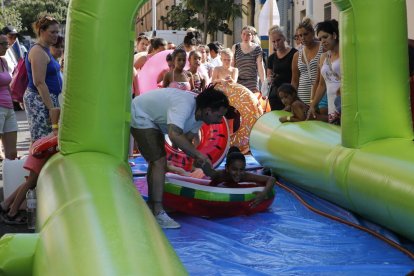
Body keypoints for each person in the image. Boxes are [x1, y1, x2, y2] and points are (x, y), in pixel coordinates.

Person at [130, 86, 230, 228]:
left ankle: (153, 205)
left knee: (158, 161)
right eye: (219, 116)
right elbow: (174, 134)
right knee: (159, 161)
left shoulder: (200, 118)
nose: (220, 121)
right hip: (140, 113)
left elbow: (185, 143)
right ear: (208, 111)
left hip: (153, 120)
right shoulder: (185, 104)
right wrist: (200, 155)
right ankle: (158, 211)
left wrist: (202, 165)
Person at [0, 107, 60, 224]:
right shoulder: (71, 113)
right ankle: (12, 212)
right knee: (30, 183)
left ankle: (5, 204)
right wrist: (55, 128)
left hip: (42, 149)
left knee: (30, 182)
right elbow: (55, 110)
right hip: (41, 152)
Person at [197, 146, 275, 208]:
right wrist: (204, 166)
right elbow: (210, 173)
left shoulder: (244, 176)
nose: (238, 173)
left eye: (241, 169)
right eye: (234, 169)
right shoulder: (221, 175)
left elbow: (271, 179)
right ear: (227, 168)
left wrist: (263, 194)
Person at [24, 15, 62, 142]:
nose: (56, 35)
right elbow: (39, 82)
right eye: (52, 32)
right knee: (41, 141)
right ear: (41, 31)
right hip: (39, 100)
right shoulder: (38, 51)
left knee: (48, 140)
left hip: (47, 99)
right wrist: (51, 108)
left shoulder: (45, 50)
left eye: (57, 32)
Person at [308, 20, 341, 125]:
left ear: (334, 35)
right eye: (320, 39)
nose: (322, 41)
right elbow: (321, 85)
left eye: (325, 37)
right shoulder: (324, 57)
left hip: (345, 105)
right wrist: (313, 105)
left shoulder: (346, 54)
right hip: (331, 104)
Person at [291, 18, 323, 105]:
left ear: (312, 33)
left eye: (305, 34)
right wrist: (292, 100)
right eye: (300, 36)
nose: (303, 38)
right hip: (302, 96)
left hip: (320, 94)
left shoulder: (322, 48)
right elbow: (294, 80)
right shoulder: (297, 55)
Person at [267, 25, 297, 110]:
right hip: (275, 96)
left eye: (278, 40)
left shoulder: (295, 54)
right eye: (273, 42)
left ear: (284, 38)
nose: (276, 43)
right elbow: (268, 77)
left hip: (290, 94)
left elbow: (297, 77)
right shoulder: (271, 58)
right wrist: (270, 79)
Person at [232, 26, 265, 95]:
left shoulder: (257, 48)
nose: (245, 37)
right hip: (239, 81)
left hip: (252, 82)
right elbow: (232, 65)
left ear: (252, 36)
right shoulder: (236, 47)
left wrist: (264, 84)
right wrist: (232, 81)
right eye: (244, 34)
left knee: (252, 103)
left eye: (248, 35)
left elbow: (260, 67)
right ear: (241, 35)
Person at [0, 34, 18, 160]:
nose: (7, 47)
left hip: (9, 108)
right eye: (4, 44)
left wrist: (13, 101)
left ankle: (9, 178)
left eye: (8, 44)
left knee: (12, 153)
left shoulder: (4, 61)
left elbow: (7, 86)